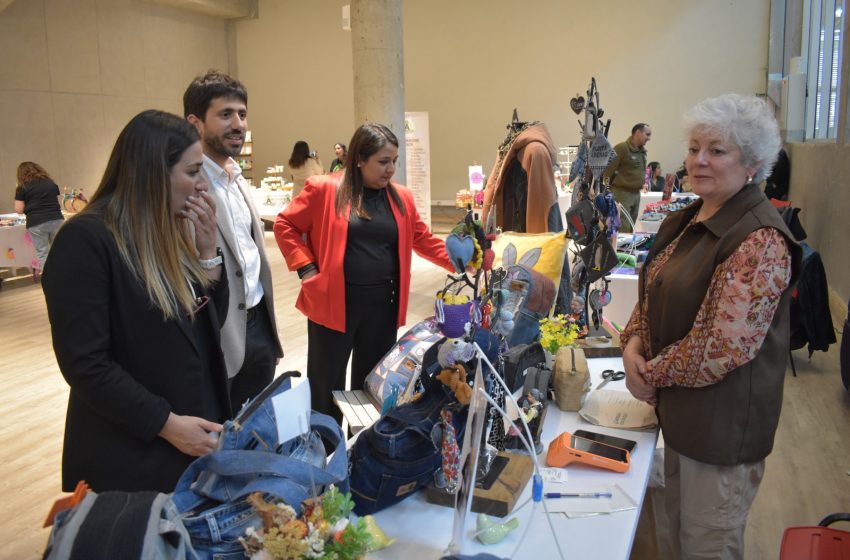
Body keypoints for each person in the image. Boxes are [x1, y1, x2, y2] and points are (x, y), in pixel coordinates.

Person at [620, 94, 801, 559]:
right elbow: (653, 289)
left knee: (706, 546)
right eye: (694, 147)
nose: (698, 160)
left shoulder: (758, 238)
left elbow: (721, 347)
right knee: (677, 537)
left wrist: (647, 373)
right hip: (682, 416)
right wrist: (633, 344)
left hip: (720, 431)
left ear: (752, 164)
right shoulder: (691, 216)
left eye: (717, 151)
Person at [42, 110, 230, 493]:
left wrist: (208, 254)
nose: (201, 187)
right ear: (154, 173)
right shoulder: (85, 241)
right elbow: (87, 365)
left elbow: (204, 334)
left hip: (185, 444)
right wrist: (168, 425)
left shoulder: (166, 231)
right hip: (132, 453)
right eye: (193, 172)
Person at [274, 123, 454, 423]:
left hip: (382, 306)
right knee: (325, 386)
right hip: (332, 304)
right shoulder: (324, 189)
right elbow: (285, 225)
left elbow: (422, 239)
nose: (391, 169)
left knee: (371, 386)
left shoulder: (402, 197)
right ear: (359, 159)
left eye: (394, 161)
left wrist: (467, 261)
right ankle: (324, 451)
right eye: (383, 162)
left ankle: (363, 452)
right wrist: (306, 268)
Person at [184, 70, 283, 412]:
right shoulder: (188, 185)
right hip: (219, 331)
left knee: (258, 422)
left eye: (242, 114)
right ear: (195, 122)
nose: (238, 124)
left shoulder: (237, 178)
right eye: (225, 114)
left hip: (259, 325)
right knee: (221, 431)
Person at [13, 162, 64, 272]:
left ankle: (50, 281)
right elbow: (57, 202)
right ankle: (64, 276)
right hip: (56, 219)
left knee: (43, 253)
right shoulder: (50, 183)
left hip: (36, 222)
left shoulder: (22, 187)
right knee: (59, 250)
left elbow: (19, 209)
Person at [603, 123, 652, 232]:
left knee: (630, 227)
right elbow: (608, 170)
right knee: (622, 229)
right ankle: (619, 249)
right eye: (647, 134)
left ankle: (624, 248)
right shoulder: (622, 148)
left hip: (636, 194)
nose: (649, 138)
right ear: (638, 133)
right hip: (622, 194)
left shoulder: (641, 152)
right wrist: (609, 190)